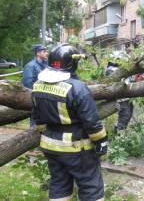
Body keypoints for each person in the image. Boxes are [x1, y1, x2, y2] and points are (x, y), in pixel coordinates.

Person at [31, 44, 107, 201]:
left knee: (59, 185)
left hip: (50, 147)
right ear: (71, 63)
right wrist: (101, 142)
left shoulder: (38, 86)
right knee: (90, 186)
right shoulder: (78, 88)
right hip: (77, 149)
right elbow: (92, 122)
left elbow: (37, 119)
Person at [105, 61, 144, 131]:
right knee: (125, 115)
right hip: (120, 97)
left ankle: (118, 132)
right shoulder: (112, 70)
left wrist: (135, 80)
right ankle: (117, 133)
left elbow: (126, 81)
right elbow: (121, 84)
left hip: (125, 97)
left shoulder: (120, 69)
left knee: (129, 113)